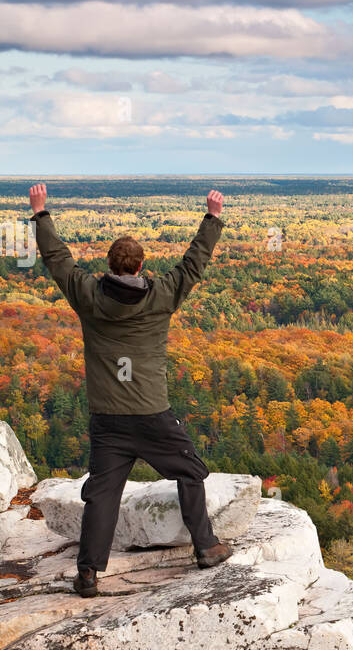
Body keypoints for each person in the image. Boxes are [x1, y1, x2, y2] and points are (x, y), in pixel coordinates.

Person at [28, 182, 233, 597]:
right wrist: (211, 219)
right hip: (153, 414)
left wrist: (41, 214)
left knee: (102, 494)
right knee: (190, 470)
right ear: (140, 267)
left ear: (110, 265)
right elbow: (193, 264)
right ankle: (206, 547)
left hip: (108, 420)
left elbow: (58, 260)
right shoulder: (160, 296)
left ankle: (88, 574)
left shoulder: (88, 296)